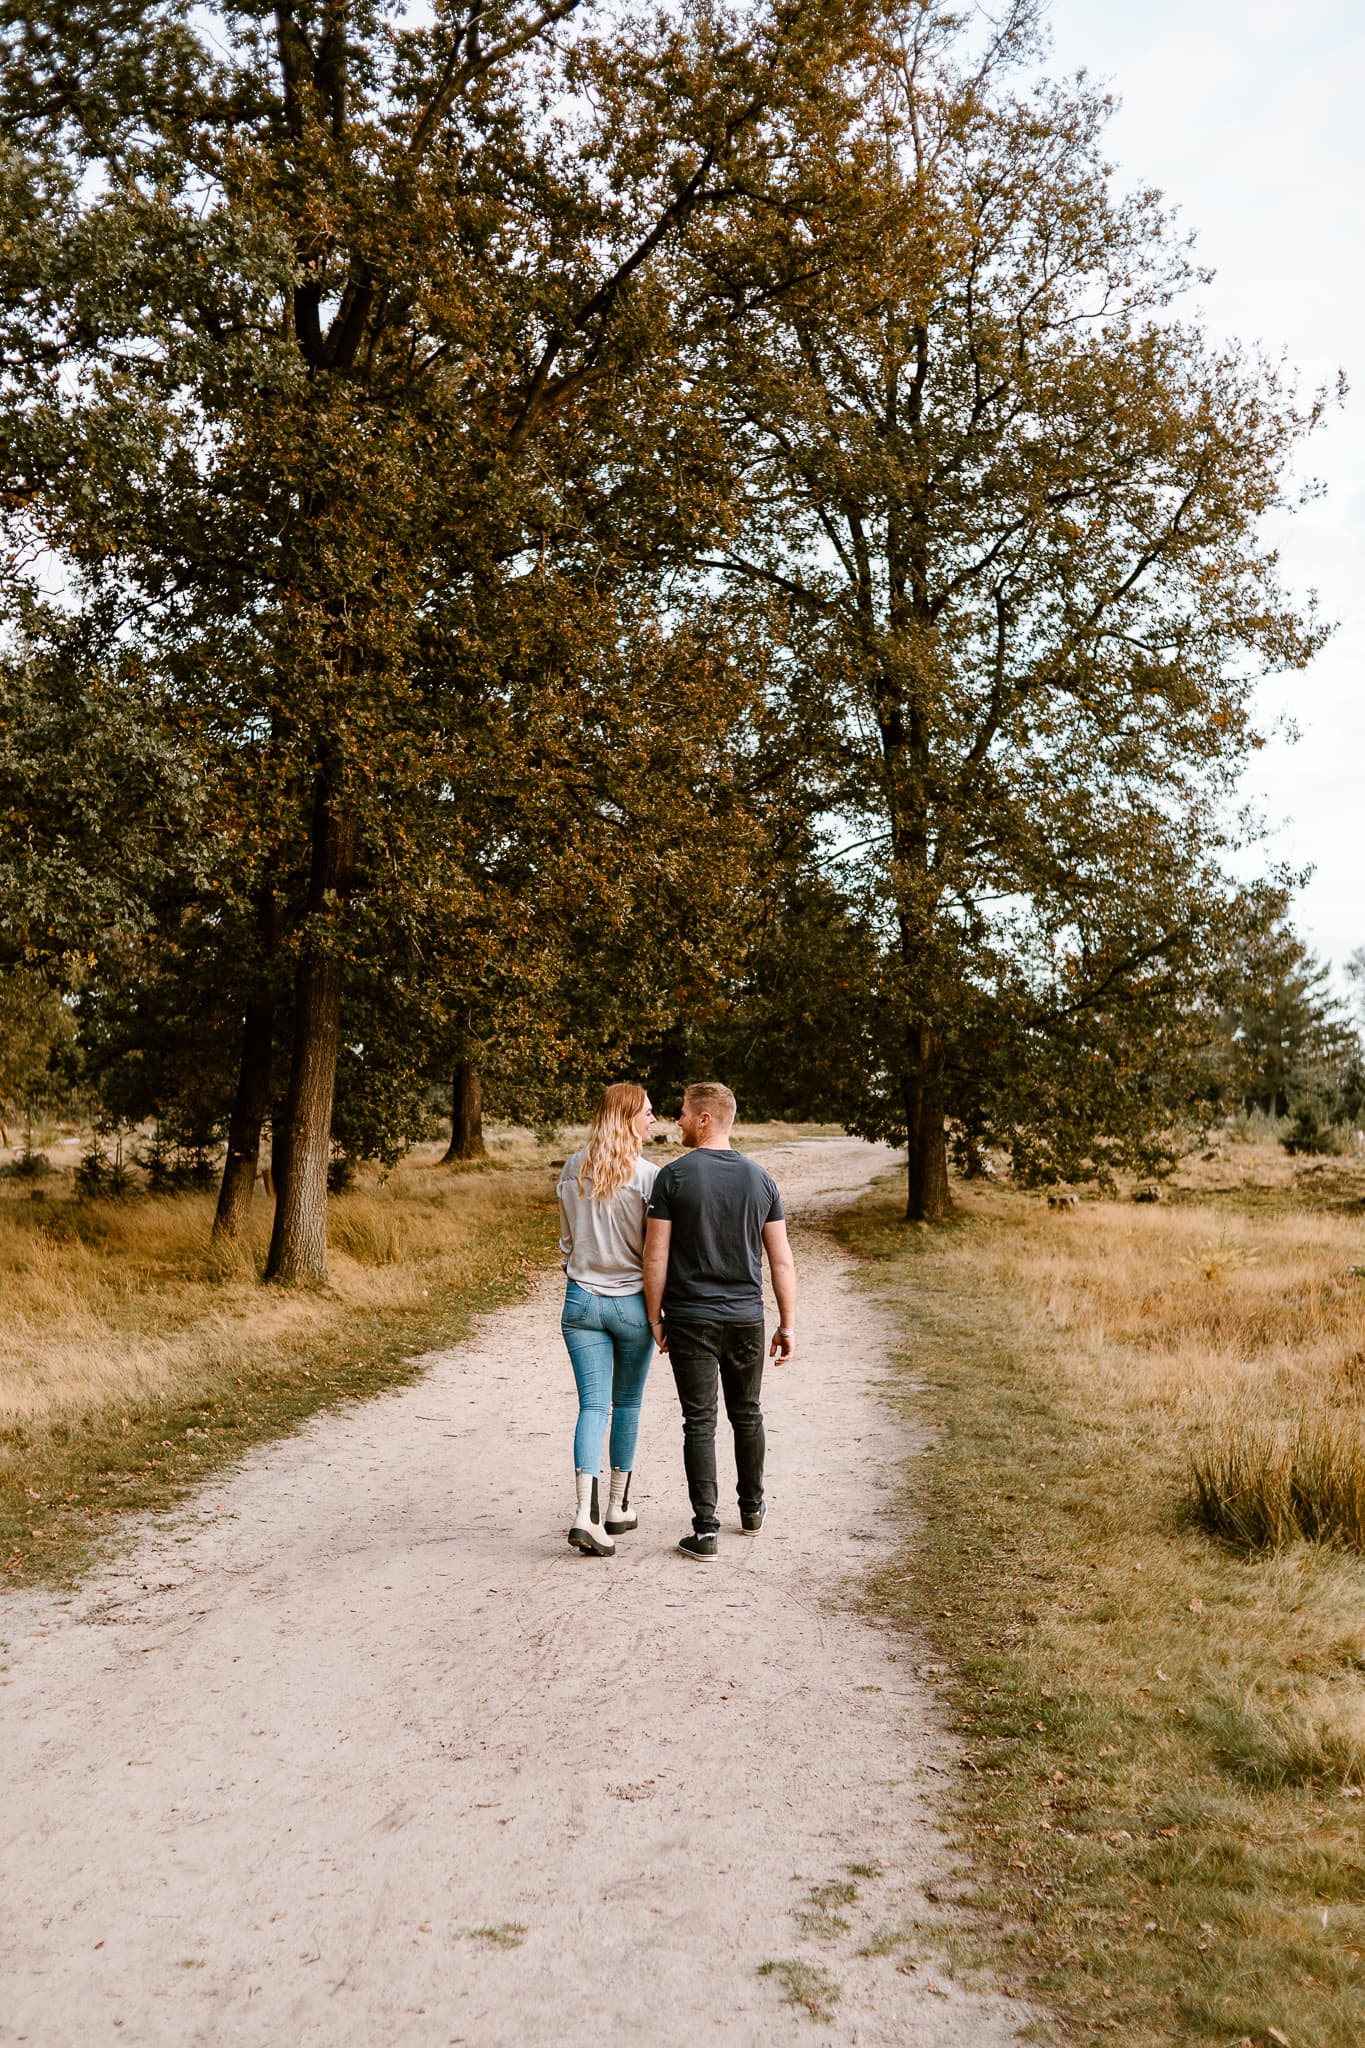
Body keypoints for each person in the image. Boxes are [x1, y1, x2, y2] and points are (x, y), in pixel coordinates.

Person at [643, 1081, 796, 1561]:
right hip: (747, 1318)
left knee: (700, 1422)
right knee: (746, 1412)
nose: (679, 1120)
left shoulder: (673, 1178)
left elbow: (655, 1257)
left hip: (690, 1318)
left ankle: (705, 1530)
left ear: (706, 1118)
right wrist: (786, 1325)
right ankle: (751, 1510)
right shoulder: (761, 1180)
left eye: (685, 1113)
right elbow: (782, 1261)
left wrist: (654, 1318)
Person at [557, 1082, 658, 1557]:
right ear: (628, 1119)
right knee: (629, 1405)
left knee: (592, 1407)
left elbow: (566, 1242)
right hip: (632, 1304)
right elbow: (656, 1252)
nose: (653, 1121)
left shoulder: (572, 1168)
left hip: (580, 1302)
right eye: (648, 1113)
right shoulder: (648, 1178)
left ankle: (585, 1514)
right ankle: (616, 1507)